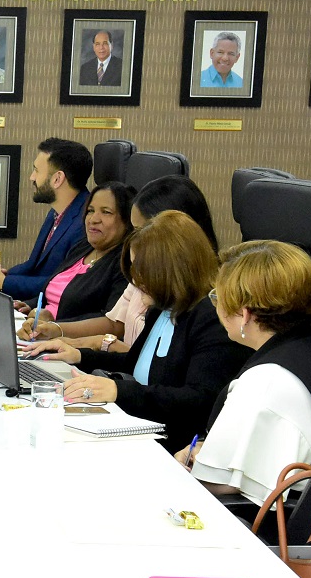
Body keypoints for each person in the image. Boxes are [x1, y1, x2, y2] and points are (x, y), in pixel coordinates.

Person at [28, 210, 251, 450]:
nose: (134, 279)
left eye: (141, 269)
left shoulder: (211, 318)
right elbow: (133, 364)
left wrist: (118, 391)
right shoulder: (161, 309)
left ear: (171, 270)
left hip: (172, 447)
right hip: (139, 429)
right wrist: (79, 355)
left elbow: (200, 400)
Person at [173, 241, 311, 506]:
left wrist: (190, 460)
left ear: (245, 315)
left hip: (287, 530)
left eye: (217, 298)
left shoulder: (265, 382)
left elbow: (213, 482)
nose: (215, 306)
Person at [21, 174, 219, 352]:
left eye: (142, 230)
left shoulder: (204, 306)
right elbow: (116, 324)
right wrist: (56, 334)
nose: (134, 239)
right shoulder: (141, 276)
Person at [0, 138, 92, 302]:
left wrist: (5, 282)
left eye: (36, 170)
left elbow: (64, 284)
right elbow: (33, 266)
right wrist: (0, 274)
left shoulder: (86, 223)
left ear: (57, 179)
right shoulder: (57, 212)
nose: (32, 177)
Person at [18, 183, 135, 328]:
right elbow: (55, 293)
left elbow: (111, 321)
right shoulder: (82, 247)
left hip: (68, 341)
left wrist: (54, 324)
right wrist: (28, 306)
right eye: (90, 211)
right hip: (38, 328)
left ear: (127, 220)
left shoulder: (125, 263)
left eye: (106, 212)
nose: (93, 219)